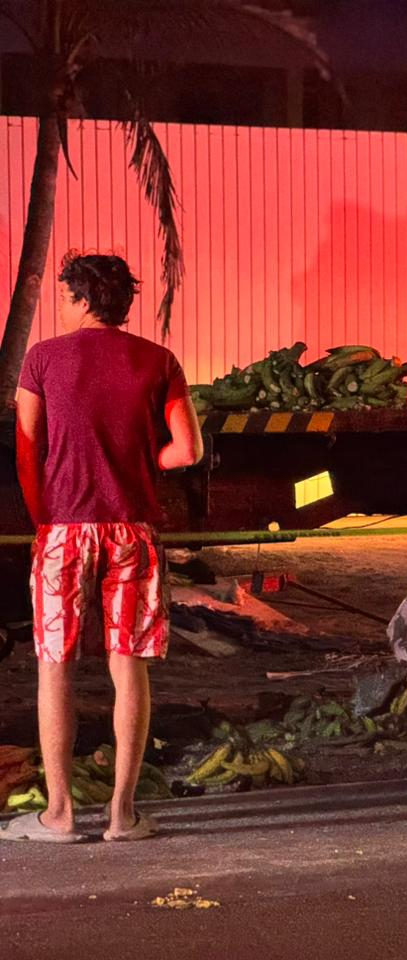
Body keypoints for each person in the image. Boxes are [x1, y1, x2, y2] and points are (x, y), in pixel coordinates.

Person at [0, 252, 202, 844]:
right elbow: (186, 450)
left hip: (63, 531)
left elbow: (27, 450)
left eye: (67, 296)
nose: (63, 306)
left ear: (86, 298)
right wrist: (141, 464)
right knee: (128, 666)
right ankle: (123, 815)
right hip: (132, 530)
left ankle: (59, 815)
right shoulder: (158, 361)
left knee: (55, 668)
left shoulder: (43, 360)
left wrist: (47, 520)